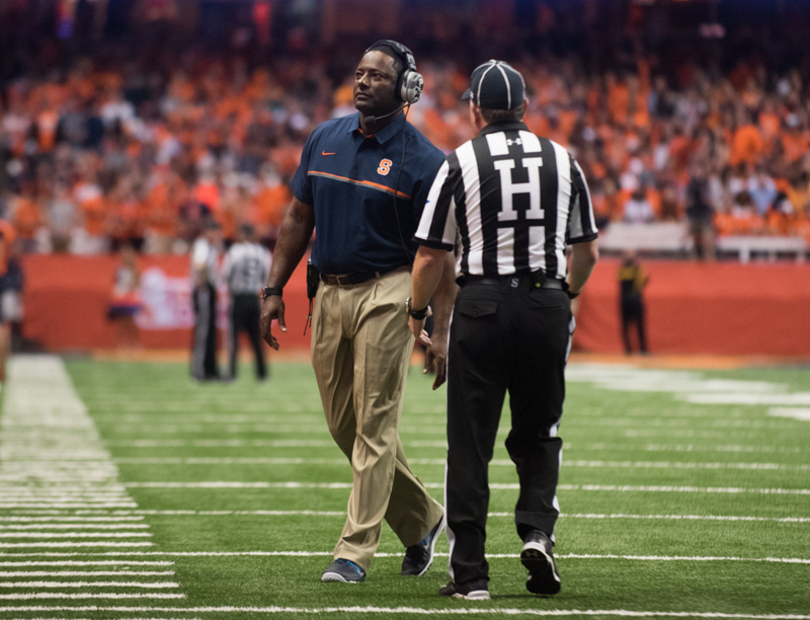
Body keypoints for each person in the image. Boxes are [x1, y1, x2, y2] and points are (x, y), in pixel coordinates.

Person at [259, 40, 450, 584]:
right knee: (344, 423)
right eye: (359, 72)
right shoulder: (323, 138)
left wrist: (439, 326)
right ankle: (423, 521)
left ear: (406, 89)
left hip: (389, 290)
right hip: (329, 290)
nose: (362, 81)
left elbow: (441, 257)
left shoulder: (425, 161)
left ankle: (354, 551)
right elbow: (298, 217)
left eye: (377, 76)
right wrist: (274, 288)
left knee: (375, 421)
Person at [408, 60, 599, 599]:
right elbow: (586, 251)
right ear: (524, 109)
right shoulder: (564, 160)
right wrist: (566, 296)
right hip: (545, 302)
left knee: (469, 444)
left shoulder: (461, 161)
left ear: (475, 109)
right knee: (539, 433)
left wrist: (418, 313)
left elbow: (429, 254)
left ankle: (470, 574)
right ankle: (538, 530)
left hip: (482, 305)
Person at [222, 223, 271, 380]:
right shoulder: (262, 253)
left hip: (238, 298)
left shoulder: (234, 252)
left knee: (234, 338)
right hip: (254, 298)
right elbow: (268, 276)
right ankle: (261, 373)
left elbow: (225, 274)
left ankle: (232, 372)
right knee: (257, 338)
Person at [190, 217, 222, 381]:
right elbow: (199, 265)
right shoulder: (202, 246)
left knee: (209, 331)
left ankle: (210, 369)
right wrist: (204, 284)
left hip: (208, 289)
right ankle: (200, 370)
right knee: (203, 331)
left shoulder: (210, 246)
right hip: (203, 289)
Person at [107, 243, 142, 350]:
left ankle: (135, 343)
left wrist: (132, 289)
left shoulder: (135, 270)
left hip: (131, 298)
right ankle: (122, 343)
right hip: (121, 297)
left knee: (131, 322)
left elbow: (138, 283)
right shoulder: (119, 269)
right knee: (122, 322)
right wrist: (115, 293)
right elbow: (116, 282)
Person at [618, 249, 649, 354]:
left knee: (640, 327)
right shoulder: (622, 269)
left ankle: (643, 350)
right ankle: (628, 350)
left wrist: (638, 268)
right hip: (625, 302)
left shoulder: (638, 269)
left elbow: (644, 280)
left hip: (636, 301)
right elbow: (623, 277)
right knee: (625, 327)